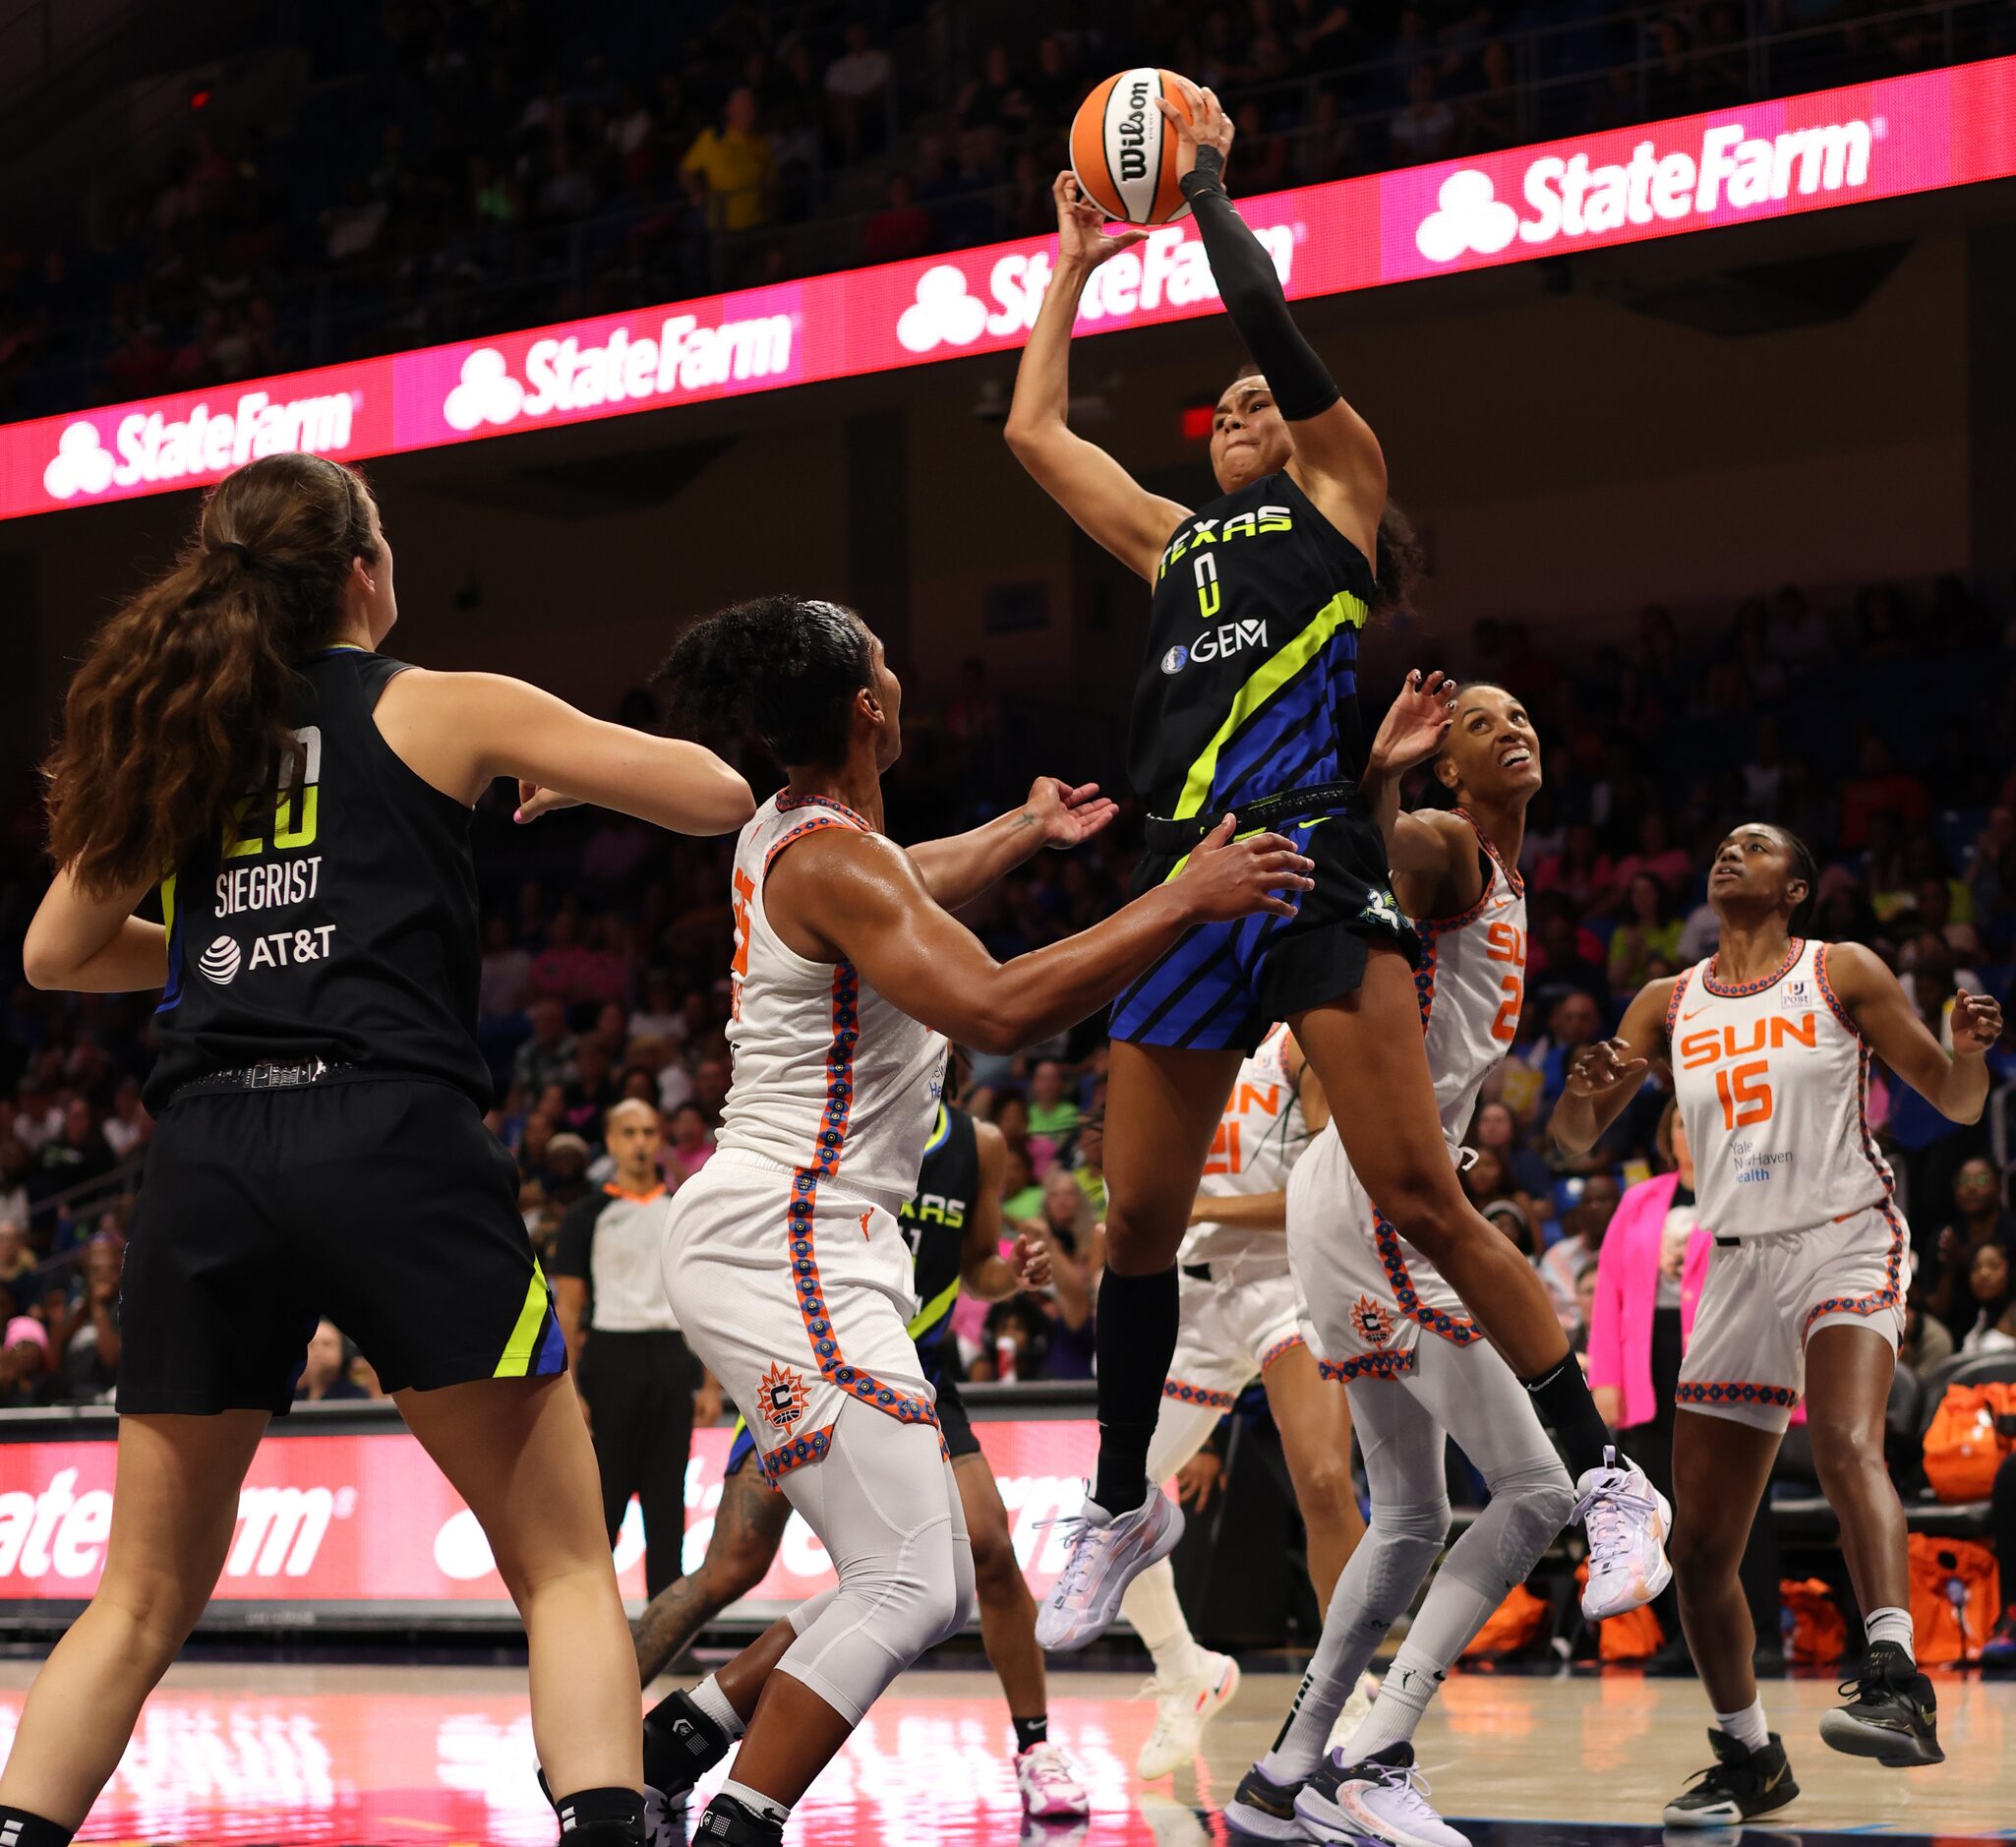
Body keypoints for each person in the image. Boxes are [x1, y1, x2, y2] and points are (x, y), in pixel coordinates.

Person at [0, 450, 756, 1847]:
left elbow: (54, 952)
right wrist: (570, 784)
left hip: (210, 1152)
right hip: (387, 1135)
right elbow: (715, 791)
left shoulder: (189, 734)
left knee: (140, 1598)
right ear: (362, 569)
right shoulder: (441, 703)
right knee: (565, 1569)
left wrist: (232, 964)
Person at [1004, 81, 1656, 1651]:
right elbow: (1031, 430)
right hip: (1184, 874)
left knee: (1420, 1190)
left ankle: (1605, 1475)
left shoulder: (1343, 495)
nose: (1238, 408)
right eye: (1219, 405)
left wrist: (1212, 197)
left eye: (1255, 398)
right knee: (1140, 1215)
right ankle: (1118, 1501)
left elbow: (1278, 332)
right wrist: (1078, 264)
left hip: (1308, 857)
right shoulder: (1171, 542)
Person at [580, 594, 1309, 1845]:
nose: (899, 674)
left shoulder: (802, 836)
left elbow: (916, 880)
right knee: (918, 1576)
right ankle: (732, 1820)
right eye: (884, 659)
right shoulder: (834, 860)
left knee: (914, 1561)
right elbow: (1000, 1005)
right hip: (793, 1231)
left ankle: (676, 1747)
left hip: (792, 1235)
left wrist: (1024, 830)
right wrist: (1181, 901)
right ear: (869, 707)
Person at [1554, 822, 2004, 1823]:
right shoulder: (1664, 1001)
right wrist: (1581, 1104)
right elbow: (1572, 1137)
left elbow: (1955, 1098)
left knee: (1847, 1442)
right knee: (1703, 1548)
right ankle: (1748, 1754)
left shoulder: (1840, 969)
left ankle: (1895, 1678)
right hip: (1736, 1266)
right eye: (1718, 846)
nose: (1726, 854)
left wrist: (1970, 1055)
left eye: (1752, 847)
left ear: (1794, 887)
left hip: (1844, 1235)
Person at [1226, 683, 1580, 1844]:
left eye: (1520, 715)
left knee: (1415, 1515)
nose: (1510, 728)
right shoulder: (1445, 842)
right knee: (1537, 1490)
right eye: (1481, 724)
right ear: (1447, 768)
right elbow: (1374, 867)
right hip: (1386, 1203)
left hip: (1366, 1193)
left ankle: (1287, 1771)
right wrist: (1375, 780)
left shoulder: (1507, 877)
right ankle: (1377, 1754)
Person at [622, 1100, 1092, 1820]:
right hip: (809, 1351)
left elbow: (976, 1270)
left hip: (917, 1367)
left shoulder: (978, 1143)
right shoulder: (832, 1107)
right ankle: (606, 1741)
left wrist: (1011, 1272)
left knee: (980, 1556)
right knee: (734, 1568)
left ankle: (1036, 1748)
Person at [1118, 1025, 1369, 1780]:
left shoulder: (1295, 1041)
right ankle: (1186, 1672)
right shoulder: (1163, 1044)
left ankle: (1350, 1695)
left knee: (1324, 1480)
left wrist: (1193, 1205)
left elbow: (1324, 1185)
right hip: (1192, 1302)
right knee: (1106, 1511)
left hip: (1281, 1285)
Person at [550, 1099, 720, 1598]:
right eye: (629, 1132)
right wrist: (571, 1387)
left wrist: (710, 1383)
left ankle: (667, 1641)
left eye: (648, 1131)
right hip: (610, 1358)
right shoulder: (586, 1216)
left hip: (671, 1358)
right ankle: (588, 1625)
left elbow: (702, 1302)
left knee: (669, 1503)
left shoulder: (681, 1211)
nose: (641, 1142)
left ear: (660, 1138)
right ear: (610, 1140)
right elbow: (570, 1311)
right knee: (606, 1501)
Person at [293, 1318, 367, 1403]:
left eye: (327, 1344)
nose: (318, 1352)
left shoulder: (356, 1398)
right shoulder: (294, 1398)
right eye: (311, 1345)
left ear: (343, 1351)